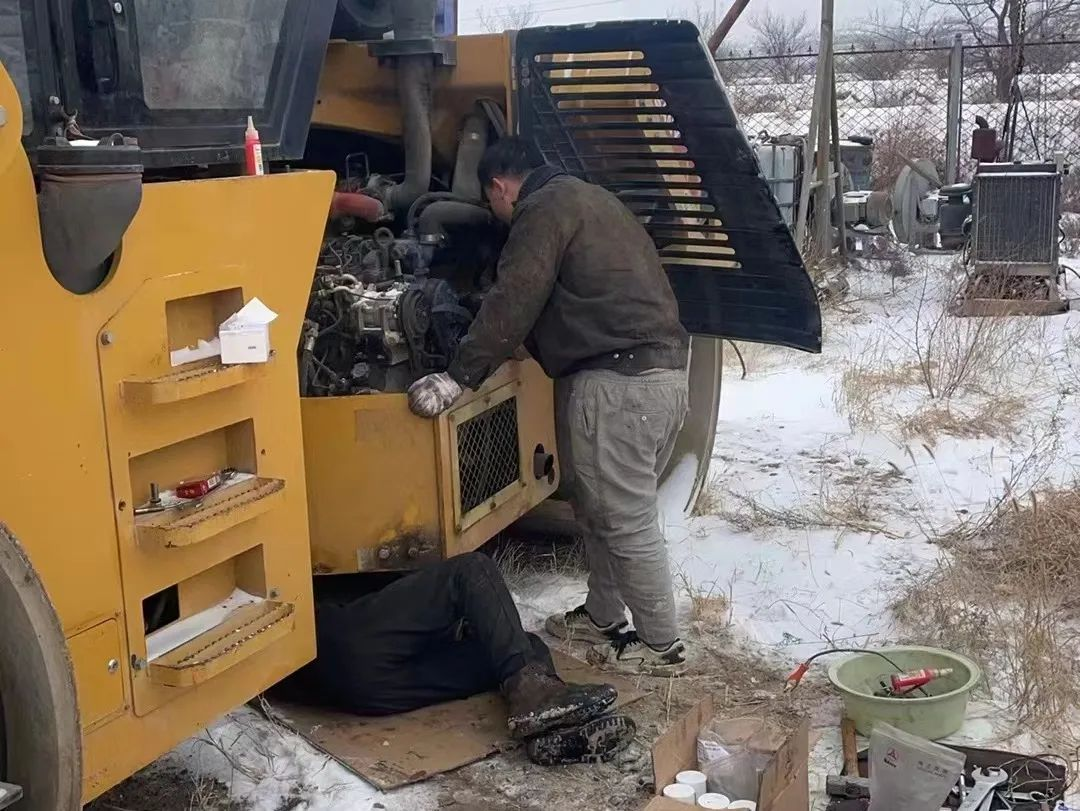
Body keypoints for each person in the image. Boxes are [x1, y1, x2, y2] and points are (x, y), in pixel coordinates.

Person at [407, 137, 691, 676]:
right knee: (602, 509)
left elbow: (515, 298)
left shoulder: (542, 209)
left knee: (625, 520)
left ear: (499, 187)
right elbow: (573, 298)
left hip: (618, 385)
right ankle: (603, 617)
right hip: (660, 376)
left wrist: (458, 376)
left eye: (490, 203)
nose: (495, 213)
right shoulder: (590, 198)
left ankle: (662, 648)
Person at [279, 552, 636, 766]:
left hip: (359, 691)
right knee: (472, 570)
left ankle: (550, 734)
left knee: (526, 649)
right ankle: (535, 696)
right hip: (337, 639)